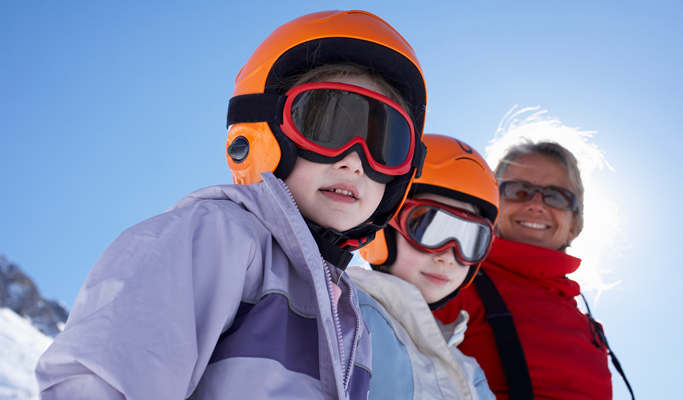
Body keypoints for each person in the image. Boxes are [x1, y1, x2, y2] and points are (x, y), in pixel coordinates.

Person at [35, 10, 428, 399]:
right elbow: (101, 379)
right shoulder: (214, 237)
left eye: (384, 144)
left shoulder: (351, 319)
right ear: (263, 131)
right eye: (328, 126)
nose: (354, 161)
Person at [434, 141, 614, 399]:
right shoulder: (452, 282)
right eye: (518, 191)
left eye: (555, 196)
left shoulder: (590, 328)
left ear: (575, 223)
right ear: (492, 205)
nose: (537, 205)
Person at [349, 134, 498, 399]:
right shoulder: (345, 314)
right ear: (384, 224)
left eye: (471, 240)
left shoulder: (468, 371)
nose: (448, 256)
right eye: (429, 227)